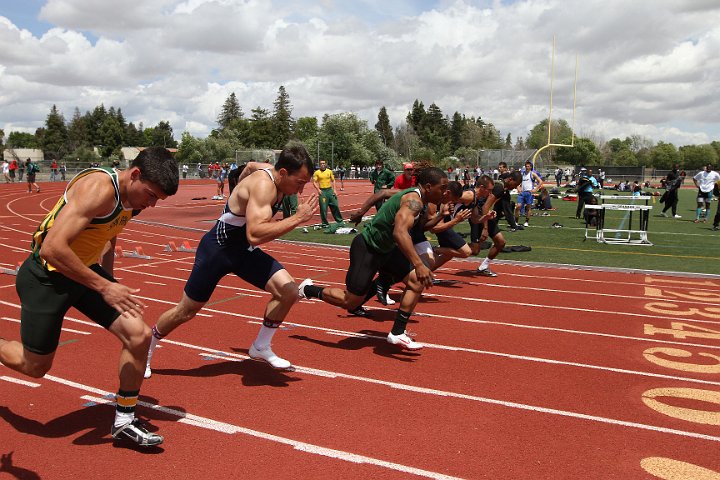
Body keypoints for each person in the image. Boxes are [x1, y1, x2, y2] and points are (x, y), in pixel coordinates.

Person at [0, 147, 179, 447]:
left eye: (157, 200)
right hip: (47, 278)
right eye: (150, 195)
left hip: (84, 274)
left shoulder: (132, 198)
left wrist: (109, 279)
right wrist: (105, 286)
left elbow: (110, 233)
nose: (151, 204)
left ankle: (124, 421)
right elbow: (52, 248)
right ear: (134, 174)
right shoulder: (98, 189)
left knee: (138, 335)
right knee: (35, 367)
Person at [144, 145, 318, 377]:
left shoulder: (270, 171)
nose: (301, 189)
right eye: (300, 182)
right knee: (186, 311)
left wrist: (236, 191)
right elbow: (255, 234)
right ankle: (146, 347)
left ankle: (260, 347)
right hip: (218, 250)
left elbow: (250, 166)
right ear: (283, 173)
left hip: (243, 252)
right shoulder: (264, 186)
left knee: (289, 291)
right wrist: (297, 218)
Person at [298, 167, 449, 350]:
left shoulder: (416, 198)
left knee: (417, 282)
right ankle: (307, 289)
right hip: (368, 248)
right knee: (351, 302)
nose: (445, 192)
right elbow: (399, 233)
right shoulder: (413, 201)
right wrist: (419, 264)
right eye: (442, 188)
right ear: (427, 186)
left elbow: (383, 192)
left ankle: (397, 333)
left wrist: (362, 212)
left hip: (387, 250)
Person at [476, 171, 522, 277]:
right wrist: (485, 228)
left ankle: (483, 266)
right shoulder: (499, 188)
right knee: (473, 250)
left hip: (485, 215)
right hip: (479, 216)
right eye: (514, 185)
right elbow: (485, 207)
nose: (514, 187)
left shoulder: (502, 187)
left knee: (500, 243)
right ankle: (439, 249)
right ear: (510, 179)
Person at [312, 159, 344, 228]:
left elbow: (333, 180)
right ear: (319, 165)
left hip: (330, 190)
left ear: (326, 164)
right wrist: (318, 189)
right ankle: (325, 223)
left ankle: (340, 221)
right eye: (321, 164)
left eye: (323, 163)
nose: (322, 165)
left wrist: (335, 190)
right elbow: (314, 182)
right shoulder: (317, 173)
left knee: (335, 205)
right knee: (323, 208)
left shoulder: (329, 171)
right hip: (322, 192)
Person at [515, 161, 543, 227]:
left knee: (528, 208)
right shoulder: (522, 174)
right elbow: (516, 182)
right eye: (526, 166)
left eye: (528, 166)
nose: (527, 168)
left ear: (530, 167)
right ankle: (516, 221)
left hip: (529, 193)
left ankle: (526, 221)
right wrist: (518, 187)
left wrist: (535, 189)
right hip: (522, 193)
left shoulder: (532, 174)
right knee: (518, 206)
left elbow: (540, 181)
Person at [496, 162, 522, 230]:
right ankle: (493, 224)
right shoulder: (500, 176)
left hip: (504, 195)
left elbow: (511, 183)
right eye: (499, 167)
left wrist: (517, 187)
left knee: (507, 211)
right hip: (500, 195)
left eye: (501, 167)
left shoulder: (507, 175)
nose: (499, 168)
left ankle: (513, 225)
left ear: (505, 168)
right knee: (496, 211)